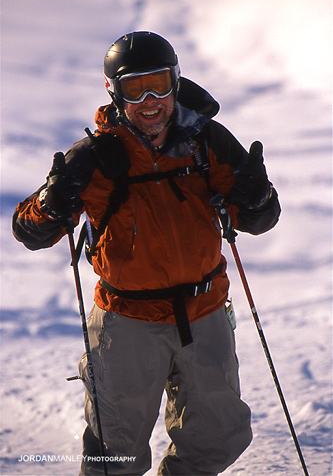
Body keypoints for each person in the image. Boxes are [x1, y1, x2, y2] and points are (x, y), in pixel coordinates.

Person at [12, 31, 281, 476]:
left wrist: (257, 198)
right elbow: (31, 231)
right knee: (113, 452)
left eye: (159, 83)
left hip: (205, 311)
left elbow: (257, 219)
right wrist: (50, 204)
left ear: (176, 81)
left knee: (219, 437)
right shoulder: (96, 157)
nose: (150, 100)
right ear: (114, 93)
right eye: (135, 89)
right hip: (127, 322)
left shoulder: (206, 141)